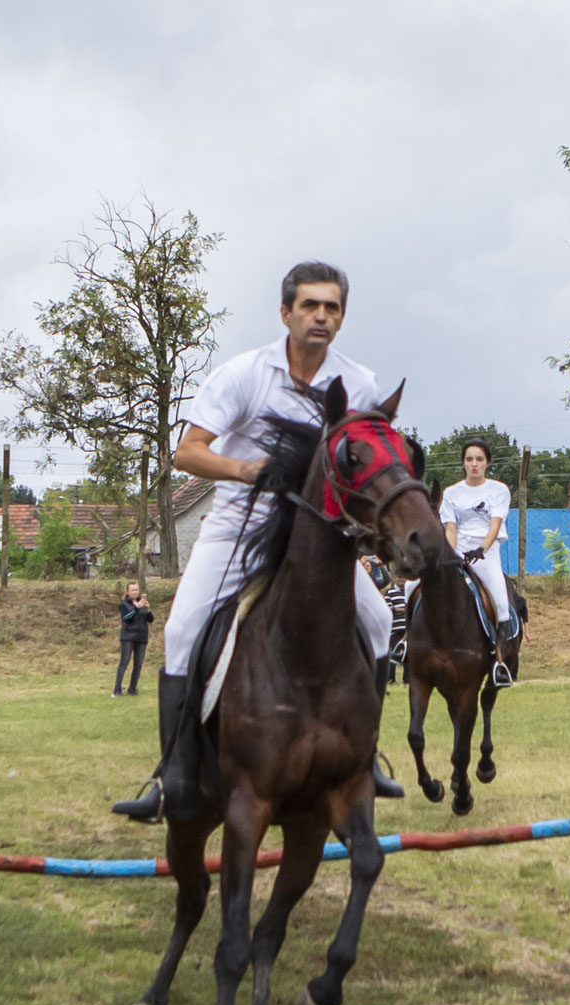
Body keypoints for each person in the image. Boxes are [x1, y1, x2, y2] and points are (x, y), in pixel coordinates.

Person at [112, 261, 403, 823]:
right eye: (310, 305)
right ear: (285, 312)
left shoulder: (358, 382)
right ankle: (172, 774)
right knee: (180, 629)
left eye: (332, 307)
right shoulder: (243, 374)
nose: (321, 315)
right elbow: (187, 451)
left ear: (341, 317)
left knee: (378, 621)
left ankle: (363, 760)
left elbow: (367, 455)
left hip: (316, 539)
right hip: (240, 528)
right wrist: (245, 470)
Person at [437, 438, 518, 685]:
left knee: (502, 604)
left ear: (487, 463)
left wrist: (481, 549)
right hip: (457, 551)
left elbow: (495, 524)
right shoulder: (451, 493)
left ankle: (499, 662)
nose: (474, 464)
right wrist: (451, 555)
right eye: (469, 459)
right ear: (463, 463)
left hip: (486, 551)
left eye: (479, 459)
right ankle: (408, 644)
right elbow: (450, 529)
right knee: (412, 587)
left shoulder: (498, 490)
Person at [115, 581, 154, 696]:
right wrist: (136, 608)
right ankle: (117, 688)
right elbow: (126, 617)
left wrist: (148, 610)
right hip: (128, 637)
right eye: (132, 590)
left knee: (138, 664)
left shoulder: (141, 604)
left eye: (137, 590)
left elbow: (150, 620)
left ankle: (132, 688)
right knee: (124, 662)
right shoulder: (124, 604)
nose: (135, 592)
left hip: (141, 637)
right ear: (128, 592)